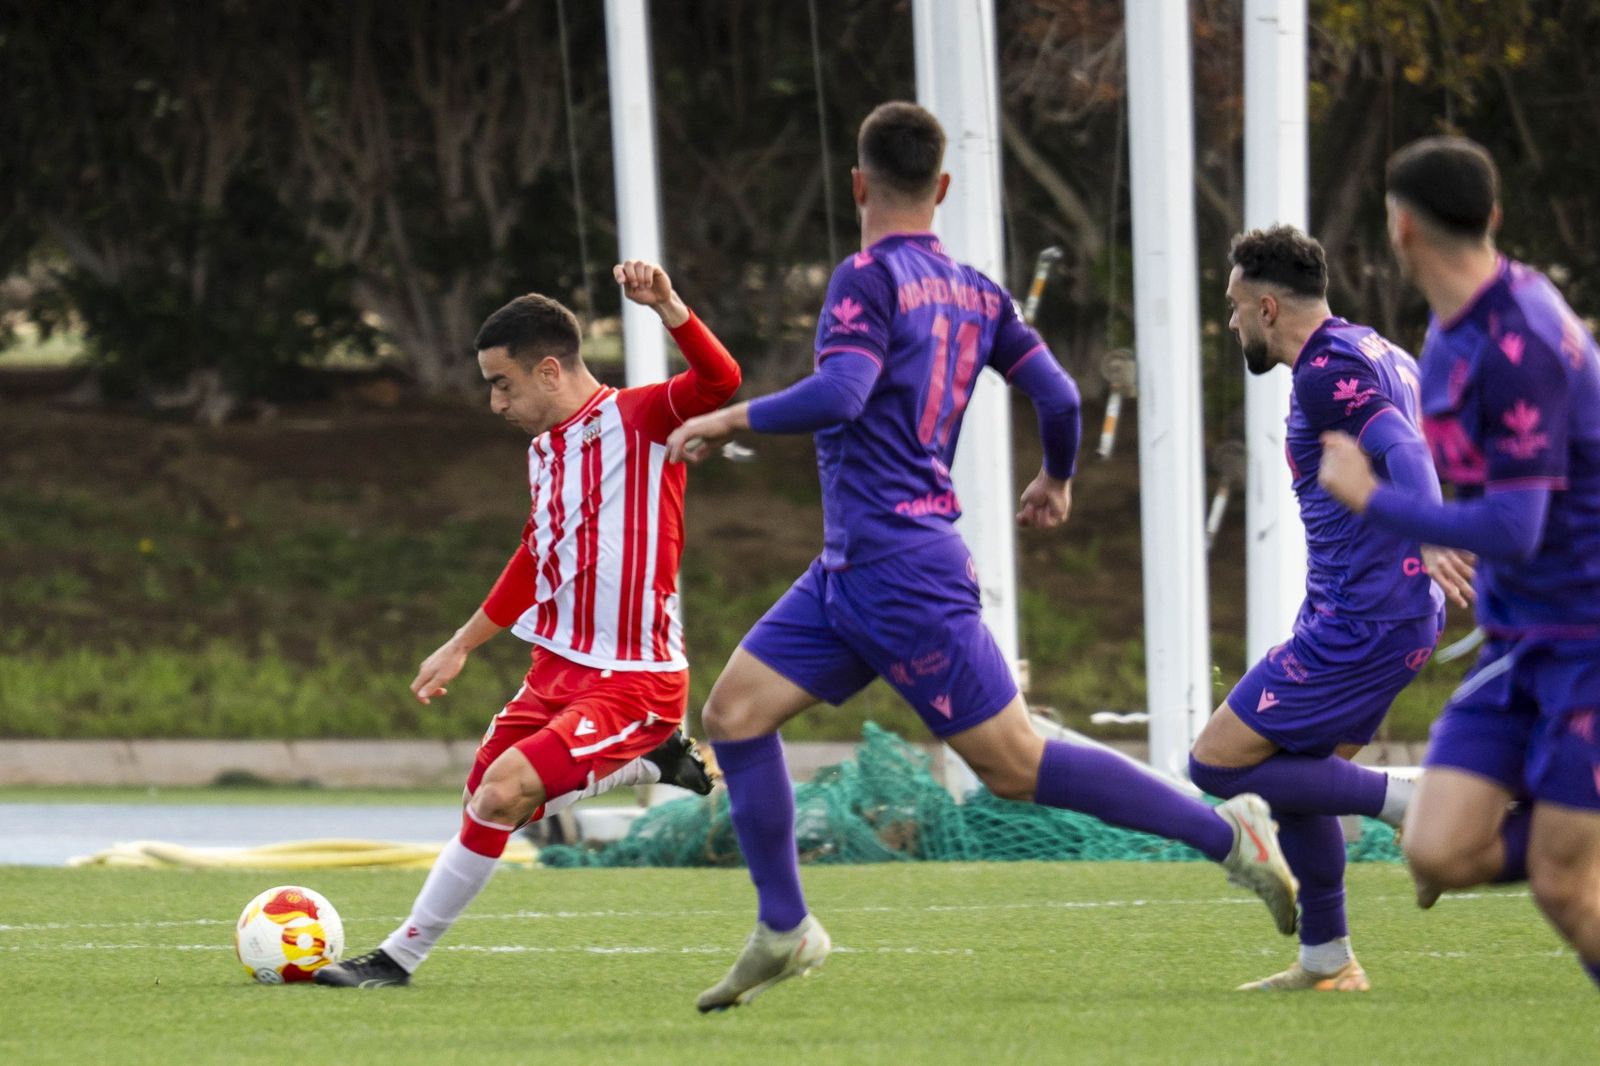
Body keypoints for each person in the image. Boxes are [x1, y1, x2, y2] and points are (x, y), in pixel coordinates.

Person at [666, 101, 1299, 1013]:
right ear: (944, 188)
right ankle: (784, 927)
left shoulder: (863, 278)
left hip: (901, 569)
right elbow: (1059, 393)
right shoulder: (976, 290)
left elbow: (843, 392)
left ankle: (1227, 836)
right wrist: (1058, 479)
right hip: (852, 570)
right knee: (733, 713)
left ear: (857, 185)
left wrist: (729, 417)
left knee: (1014, 764)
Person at [316, 260, 741, 988]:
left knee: (505, 791)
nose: (494, 402)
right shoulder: (543, 452)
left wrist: (668, 305)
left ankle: (395, 960)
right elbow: (532, 556)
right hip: (556, 669)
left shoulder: (641, 419)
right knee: (484, 801)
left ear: (549, 370)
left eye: (501, 382)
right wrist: (459, 646)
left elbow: (722, 383)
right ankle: (652, 761)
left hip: (632, 678)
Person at [1319, 135, 1600, 992]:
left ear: (1399, 228)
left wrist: (1377, 501)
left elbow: (1515, 528)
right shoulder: (1450, 336)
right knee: (1435, 852)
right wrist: (1437, 522)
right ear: (1493, 216)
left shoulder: (1523, 336)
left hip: (1588, 640)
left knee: (1564, 885)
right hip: (1522, 640)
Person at [1187, 225, 1449, 992]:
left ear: (1268, 307)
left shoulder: (1323, 371)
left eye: (1234, 307)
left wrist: (1432, 535)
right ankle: (1328, 961)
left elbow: (1405, 448)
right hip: (1383, 611)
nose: (1232, 322)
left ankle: (1412, 801)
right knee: (1290, 771)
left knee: (1215, 762)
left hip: (1364, 619)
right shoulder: (1376, 348)